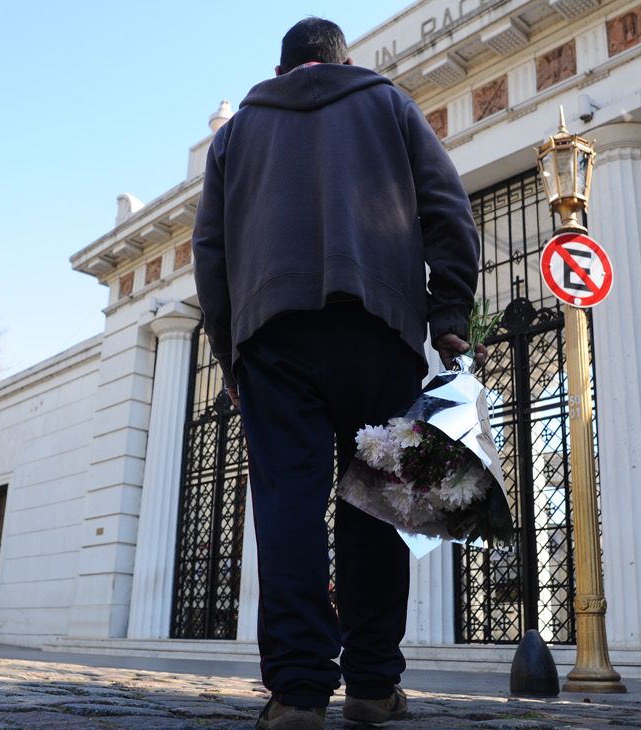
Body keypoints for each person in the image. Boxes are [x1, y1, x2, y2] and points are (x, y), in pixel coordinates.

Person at [192, 17, 482, 730]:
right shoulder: (387, 104)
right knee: (377, 508)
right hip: (378, 330)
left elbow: (211, 251)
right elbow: (449, 209)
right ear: (342, 62)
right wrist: (447, 312)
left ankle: (297, 693)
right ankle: (374, 687)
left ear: (283, 68)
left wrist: (232, 351)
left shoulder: (236, 135)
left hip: (273, 336)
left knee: (288, 510)